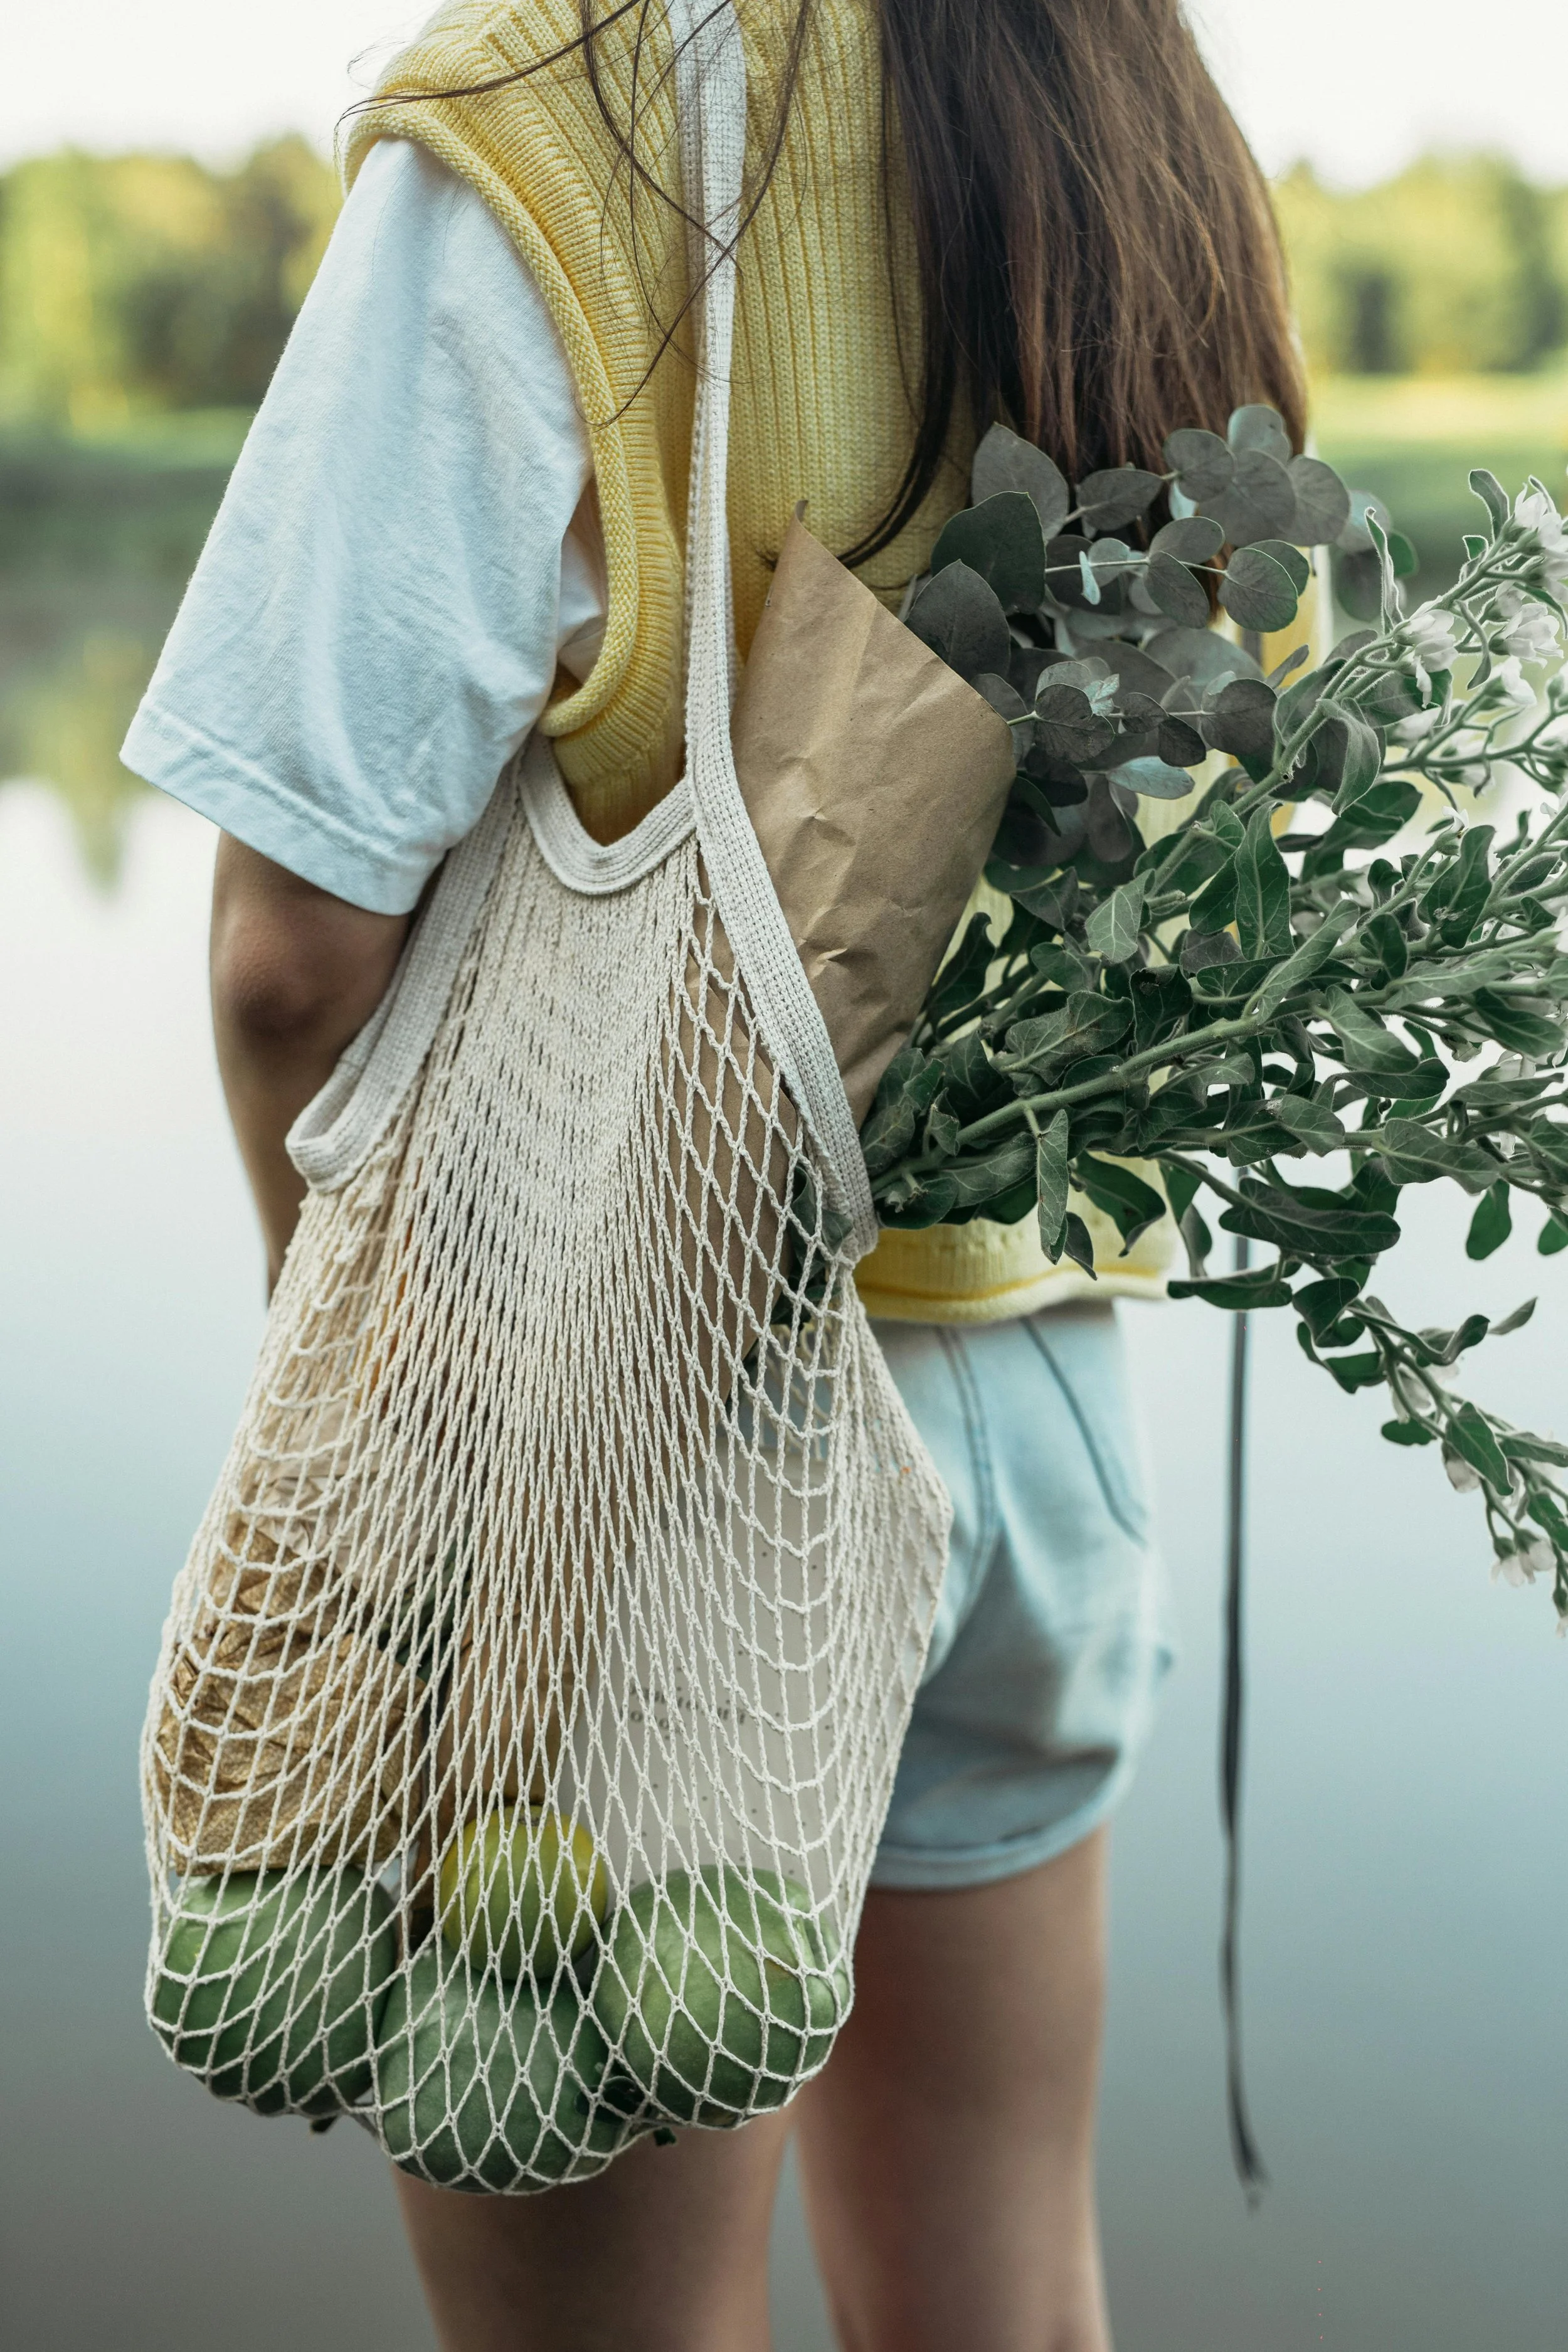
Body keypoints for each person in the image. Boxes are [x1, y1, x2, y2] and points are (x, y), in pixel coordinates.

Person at [123, 3, 1306, 2344]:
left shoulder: (556, 114)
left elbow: (290, 957)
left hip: (604, 1444)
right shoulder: (1127, 99)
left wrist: (389, 1485)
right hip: (1034, 1405)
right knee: (1002, 2305)